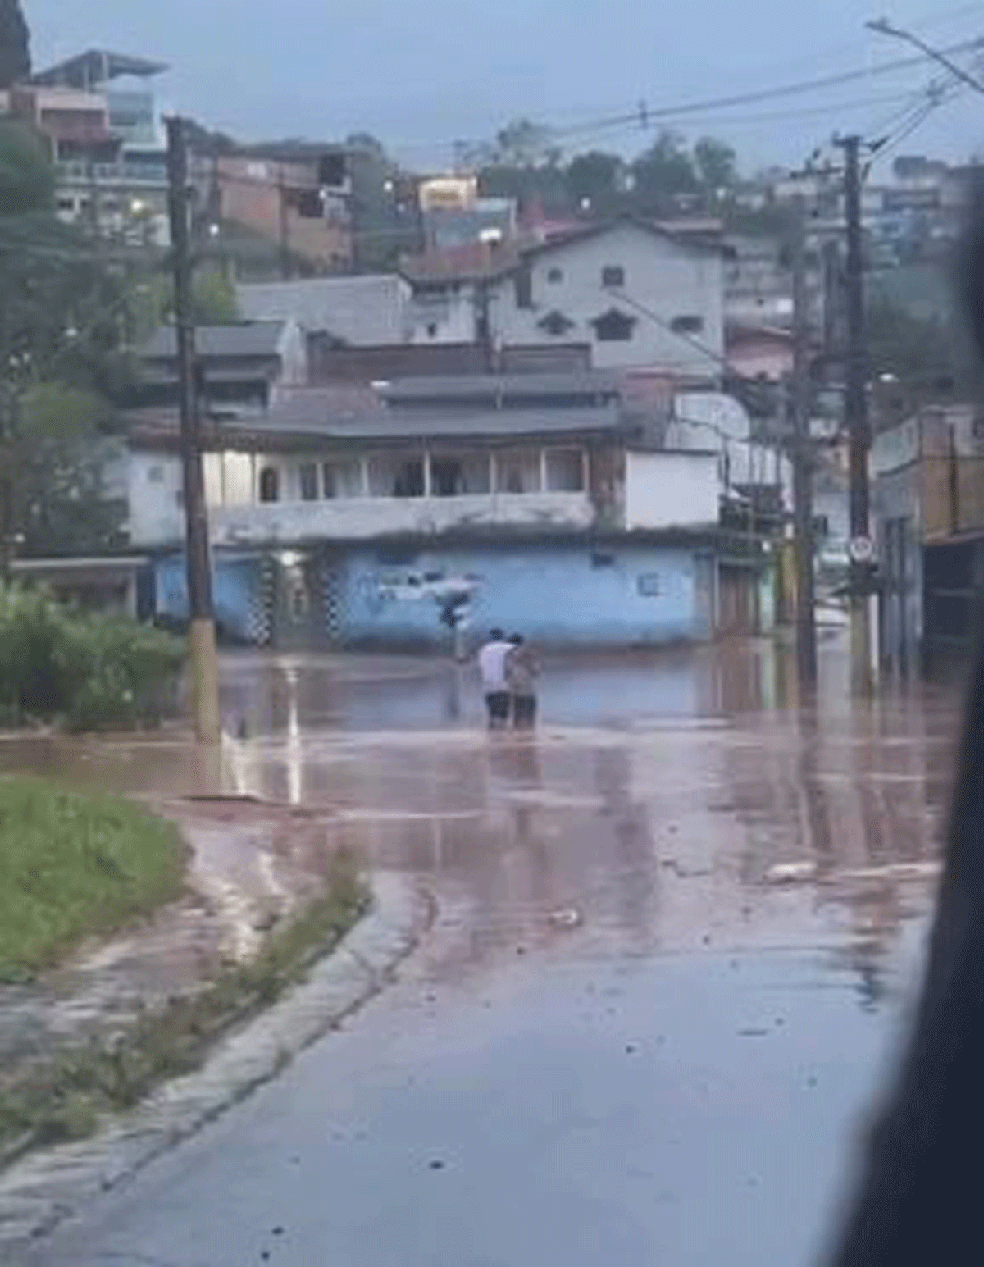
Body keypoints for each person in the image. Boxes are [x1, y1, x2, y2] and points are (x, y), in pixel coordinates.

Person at [477, 628, 512, 729]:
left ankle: (491, 737)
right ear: (502, 636)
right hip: (505, 685)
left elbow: (481, 666)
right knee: (504, 715)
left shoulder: (484, 649)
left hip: (488, 685)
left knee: (491, 714)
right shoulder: (509, 648)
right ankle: (503, 737)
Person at [506, 633, 538, 730]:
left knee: (517, 716)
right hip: (528, 689)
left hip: (515, 689)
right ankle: (529, 735)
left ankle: (517, 737)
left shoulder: (509, 655)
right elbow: (536, 672)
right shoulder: (529, 654)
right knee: (530, 717)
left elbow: (507, 672)